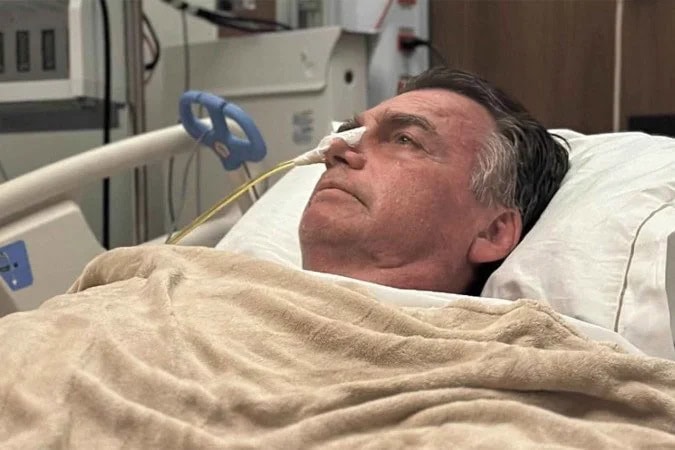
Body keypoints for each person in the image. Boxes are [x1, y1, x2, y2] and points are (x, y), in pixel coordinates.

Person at [298, 67, 569, 295]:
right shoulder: (270, 297)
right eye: (349, 134)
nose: (335, 149)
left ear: (493, 232)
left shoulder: (519, 343)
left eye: (405, 139)